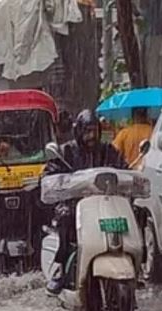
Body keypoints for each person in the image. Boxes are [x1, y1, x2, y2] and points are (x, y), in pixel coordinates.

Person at [44, 109, 128, 295]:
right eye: (87, 131)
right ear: (79, 131)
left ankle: (135, 261)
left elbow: (124, 170)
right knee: (65, 217)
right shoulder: (66, 151)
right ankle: (61, 267)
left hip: (105, 203)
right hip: (75, 204)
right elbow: (50, 175)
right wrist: (62, 184)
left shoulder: (108, 151)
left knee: (132, 215)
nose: (91, 136)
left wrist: (131, 181)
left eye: (94, 131)